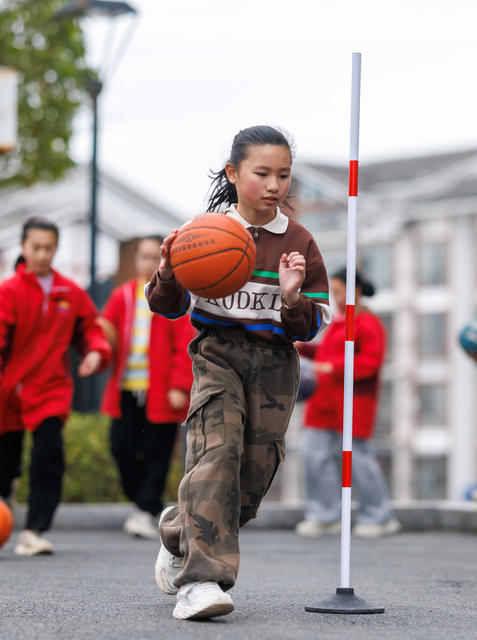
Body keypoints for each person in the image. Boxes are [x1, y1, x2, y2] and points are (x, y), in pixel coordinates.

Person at [146, 125, 331, 620]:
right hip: (218, 355)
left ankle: (176, 528)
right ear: (233, 173)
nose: (275, 184)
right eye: (262, 173)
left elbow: (313, 324)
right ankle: (201, 584)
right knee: (217, 456)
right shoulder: (202, 232)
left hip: (274, 365)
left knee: (250, 480)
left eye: (284, 175)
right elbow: (165, 306)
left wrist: (292, 296)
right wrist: (167, 272)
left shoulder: (299, 241)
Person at [0, 217, 111, 556]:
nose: (42, 254)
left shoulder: (71, 293)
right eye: (36, 247)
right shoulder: (9, 292)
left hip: (50, 389)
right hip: (9, 392)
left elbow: (92, 330)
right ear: (23, 247)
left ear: (56, 248)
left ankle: (34, 530)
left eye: (49, 247)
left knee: (49, 456)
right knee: (5, 463)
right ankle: (5, 510)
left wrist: (95, 353)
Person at [98, 237, 194, 539]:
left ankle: (146, 507)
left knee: (158, 452)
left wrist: (180, 384)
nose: (150, 263)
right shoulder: (122, 296)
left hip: (162, 390)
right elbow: (105, 333)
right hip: (126, 387)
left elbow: (185, 344)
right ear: (136, 260)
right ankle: (145, 504)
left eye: (157, 257)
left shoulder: (176, 298)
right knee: (120, 446)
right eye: (144, 256)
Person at [295, 267, 400, 539]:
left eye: (339, 292)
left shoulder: (368, 324)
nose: (336, 297)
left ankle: (379, 516)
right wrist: (304, 348)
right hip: (324, 401)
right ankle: (325, 515)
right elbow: (328, 353)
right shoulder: (340, 323)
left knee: (359, 460)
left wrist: (334, 367)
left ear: (354, 291)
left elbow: (370, 363)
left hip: (352, 402)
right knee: (313, 455)